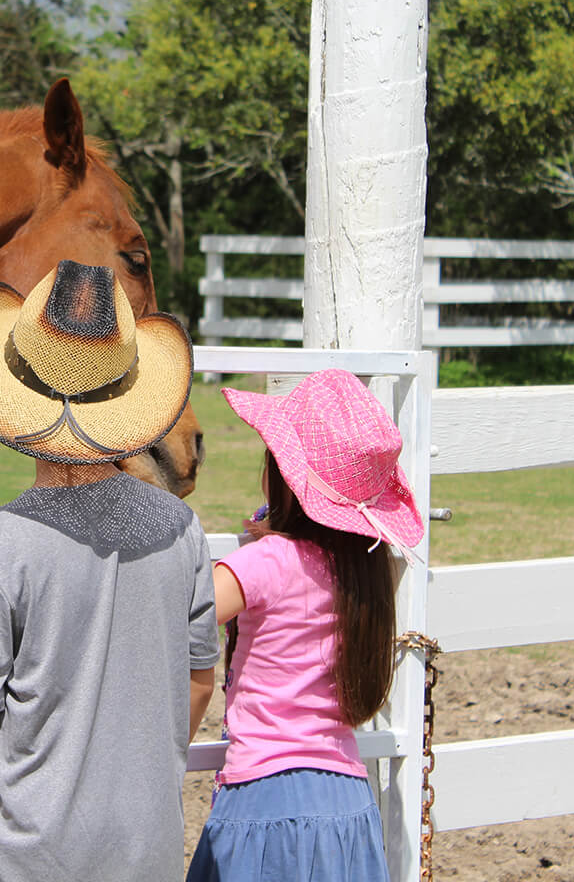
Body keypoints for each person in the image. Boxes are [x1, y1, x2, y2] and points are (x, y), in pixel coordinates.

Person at [0, 259, 220, 882]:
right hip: (149, 848)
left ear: (15, 388)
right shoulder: (181, 529)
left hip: (28, 855)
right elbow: (197, 681)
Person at [185, 368, 426, 882]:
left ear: (283, 474)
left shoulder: (267, 562)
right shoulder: (366, 571)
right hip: (347, 803)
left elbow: (181, 610)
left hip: (265, 801)